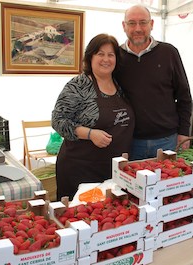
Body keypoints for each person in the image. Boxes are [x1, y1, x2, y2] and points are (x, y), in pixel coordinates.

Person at [51, 33, 135, 200]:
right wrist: (90, 134)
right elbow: (58, 120)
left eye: (111, 55)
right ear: (90, 57)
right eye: (100, 54)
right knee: (80, 218)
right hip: (80, 169)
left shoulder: (119, 84)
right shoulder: (79, 85)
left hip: (111, 170)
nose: (106, 59)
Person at [116, 4, 192, 160]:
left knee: (165, 184)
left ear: (151, 25)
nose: (138, 28)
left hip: (166, 141)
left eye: (143, 22)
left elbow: (184, 95)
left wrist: (184, 132)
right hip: (129, 142)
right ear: (124, 26)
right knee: (130, 184)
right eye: (132, 23)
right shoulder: (115, 57)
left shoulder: (169, 53)